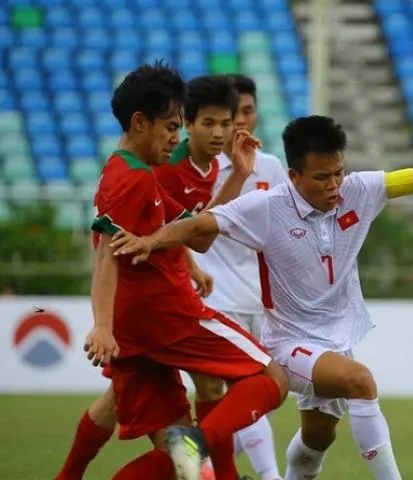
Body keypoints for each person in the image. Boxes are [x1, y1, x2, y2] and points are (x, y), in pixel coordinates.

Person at [109, 115, 413, 479]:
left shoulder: (361, 188)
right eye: (321, 177)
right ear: (293, 176)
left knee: (317, 440)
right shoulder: (265, 207)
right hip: (288, 343)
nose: (334, 184)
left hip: (337, 341)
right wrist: (150, 240)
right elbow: (198, 226)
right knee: (361, 382)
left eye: (338, 172)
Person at [83, 63, 289, 480]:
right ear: (141, 123)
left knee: (178, 456)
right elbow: (106, 254)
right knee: (272, 378)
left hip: (140, 324)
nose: (176, 137)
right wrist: (101, 324)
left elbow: (195, 233)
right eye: (174, 127)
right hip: (167, 315)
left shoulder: (132, 170)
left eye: (226, 122)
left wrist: (239, 177)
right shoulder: (145, 176)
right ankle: (216, 459)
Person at [194, 74, 287, 480]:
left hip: (262, 302)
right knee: (244, 386)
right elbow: (192, 230)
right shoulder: (204, 168)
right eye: (235, 114)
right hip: (217, 299)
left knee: (247, 400)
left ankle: (196, 462)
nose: (243, 121)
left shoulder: (271, 167)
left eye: (249, 111)